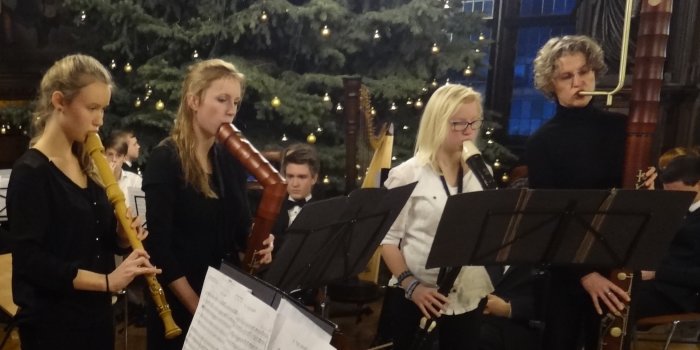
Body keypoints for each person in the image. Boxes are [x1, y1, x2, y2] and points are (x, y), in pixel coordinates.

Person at [6, 54, 158, 350]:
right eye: (91, 108)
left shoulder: (88, 161)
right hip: (53, 326)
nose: (100, 120)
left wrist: (122, 237)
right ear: (59, 101)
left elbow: (94, 240)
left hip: (95, 317)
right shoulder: (31, 172)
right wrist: (107, 282)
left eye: (103, 109)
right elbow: (31, 262)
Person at [525, 35, 655, 350]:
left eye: (584, 72)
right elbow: (552, 220)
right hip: (568, 274)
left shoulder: (623, 128)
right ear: (550, 85)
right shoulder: (542, 142)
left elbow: (641, 205)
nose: (578, 82)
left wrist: (651, 185)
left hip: (617, 267)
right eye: (566, 76)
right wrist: (586, 275)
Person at [142, 58, 274, 350]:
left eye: (236, 102)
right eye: (222, 99)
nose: (231, 110)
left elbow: (240, 227)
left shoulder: (228, 158)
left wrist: (261, 242)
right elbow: (158, 249)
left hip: (223, 296)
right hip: (181, 302)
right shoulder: (166, 159)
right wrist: (198, 307)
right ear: (194, 101)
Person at [380, 84, 494, 350]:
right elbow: (387, 239)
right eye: (457, 123)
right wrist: (412, 286)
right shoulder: (407, 174)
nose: (468, 131)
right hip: (418, 297)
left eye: (474, 122)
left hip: (467, 295)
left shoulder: (482, 171)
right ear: (437, 122)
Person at [635, 155, 700, 319]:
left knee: (616, 303)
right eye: (667, 191)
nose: (671, 199)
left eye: (677, 192)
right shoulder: (675, 208)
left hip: (680, 296)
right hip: (655, 287)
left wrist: (656, 273)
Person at [271, 142, 320, 253]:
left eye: (302, 177)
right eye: (290, 176)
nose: (294, 184)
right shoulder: (272, 208)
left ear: (314, 178)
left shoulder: (323, 211)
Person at [105, 131, 142, 199]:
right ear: (104, 156)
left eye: (118, 156)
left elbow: (140, 209)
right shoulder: (96, 180)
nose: (114, 159)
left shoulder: (135, 180)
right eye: (110, 154)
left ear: (124, 158)